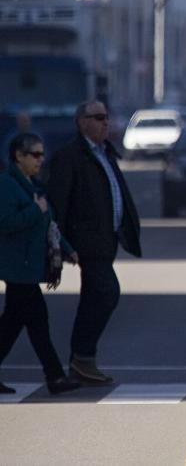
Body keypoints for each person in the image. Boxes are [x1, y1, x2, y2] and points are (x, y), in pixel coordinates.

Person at [47, 100, 142, 385]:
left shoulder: (104, 153)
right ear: (82, 123)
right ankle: (81, 356)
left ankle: (83, 362)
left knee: (94, 295)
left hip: (106, 239)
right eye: (97, 117)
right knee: (106, 292)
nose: (105, 122)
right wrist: (63, 245)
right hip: (86, 241)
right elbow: (58, 205)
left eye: (106, 117)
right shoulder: (70, 157)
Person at [0, 133, 81, 395]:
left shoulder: (33, 184)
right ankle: (55, 376)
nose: (40, 160)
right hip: (17, 267)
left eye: (42, 154)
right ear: (18, 157)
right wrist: (35, 210)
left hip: (29, 266)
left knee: (13, 325)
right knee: (37, 322)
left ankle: (55, 376)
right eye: (35, 155)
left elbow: (49, 224)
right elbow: (7, 223)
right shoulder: (6, 185)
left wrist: (67, 249)